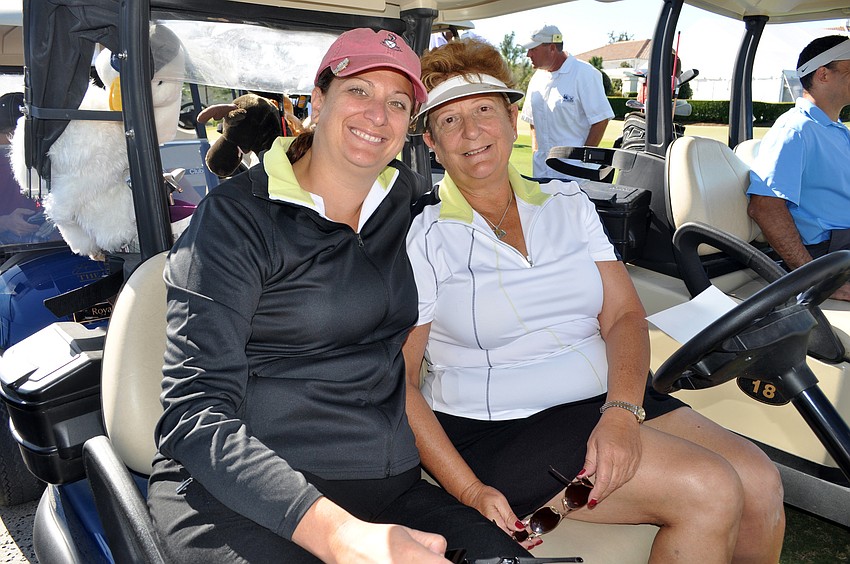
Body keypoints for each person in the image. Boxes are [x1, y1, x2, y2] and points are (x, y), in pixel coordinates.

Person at [148, 29, 530, 564]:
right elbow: (193, 412)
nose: (378, 113)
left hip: (387, 485)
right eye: (359, 91)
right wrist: (341, 538)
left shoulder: (401, 201)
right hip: (245, 491)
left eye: (398, 102)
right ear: (319, 100)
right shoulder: (236, 220)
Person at [404, 38, 785, 562]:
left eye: (485, 110)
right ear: (430, 141)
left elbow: (625, 315)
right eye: (449, 120)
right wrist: (467, 490)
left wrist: (622, 411)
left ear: (513, 119)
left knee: (762, 481)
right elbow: (401, 383)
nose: (471, 132)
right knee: (709, 487)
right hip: (506, 426)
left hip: (607, 397)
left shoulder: (568, 204)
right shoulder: (422, 237)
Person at [747, 35, 850, 300]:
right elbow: (764, 207)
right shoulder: (795, 129)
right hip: (831, 253)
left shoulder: (837, 130)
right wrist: (818, 280)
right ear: (824, 74)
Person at [520, 25, 614, 179]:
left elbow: (601, 120)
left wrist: (582, 157)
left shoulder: (585, 74)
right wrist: (536, 151)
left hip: (575, 173)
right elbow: (533, 121)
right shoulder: (537, 78)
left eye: (533, 49)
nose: (528, 54)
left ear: (551, 48)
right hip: (542, 171)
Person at [0, 92, 40, 242]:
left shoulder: (46, 159)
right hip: (7, 254)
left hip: (49, 248)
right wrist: (6, 222)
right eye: (8, 133)